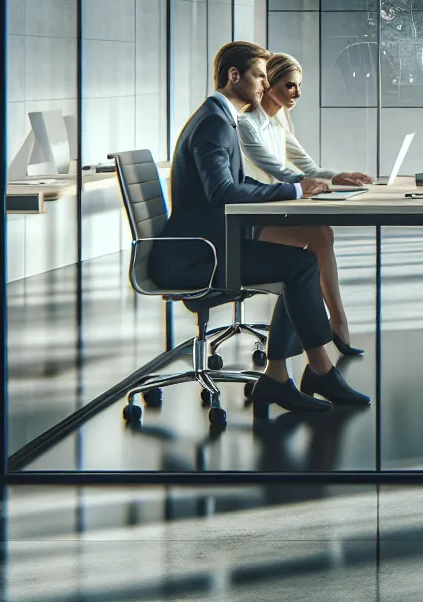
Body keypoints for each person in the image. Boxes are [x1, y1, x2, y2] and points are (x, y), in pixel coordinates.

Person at [150, 41, 370, 414]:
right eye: (258, 76)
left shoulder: (218, 118)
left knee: (300, 261)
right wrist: (295, 189)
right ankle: (316, 372)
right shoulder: (214, 123)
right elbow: (221, 191)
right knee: (300, 266)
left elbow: (236, 185)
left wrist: (292, 190)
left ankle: (283, 377)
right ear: (234, 76)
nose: (263, 85)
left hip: (210, 245)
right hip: (197, 257)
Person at [237, 52, 371, 356]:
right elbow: (281, 171)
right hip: (251, 218)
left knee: (322, 234)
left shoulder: (278, 121)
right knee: (317, 239)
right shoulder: (246, 125)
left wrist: (340, 176)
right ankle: (335, 328)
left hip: (275, 210)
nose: (297, 93)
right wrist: (320, 186)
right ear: (269, 84)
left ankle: (336, 324)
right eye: (290, 86)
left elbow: (306, 166)